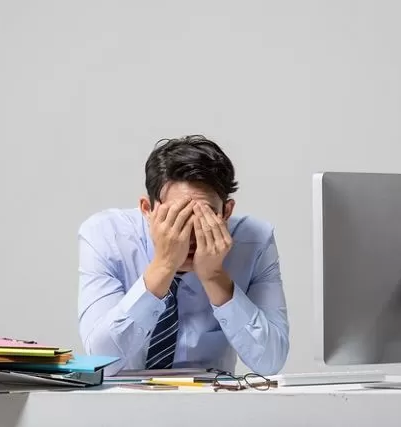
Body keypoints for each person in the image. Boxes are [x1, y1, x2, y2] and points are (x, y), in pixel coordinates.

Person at [77, 135, 289, 376]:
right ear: (147, 209)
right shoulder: (106, 236)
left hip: (211, 401)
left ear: (226, 212)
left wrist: (215, 277)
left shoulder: (255, 241)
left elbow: (270, 361)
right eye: (176, 216)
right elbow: (101, 358)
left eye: (204, 217)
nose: (189, 234)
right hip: (121, 400)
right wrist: (164, 266)